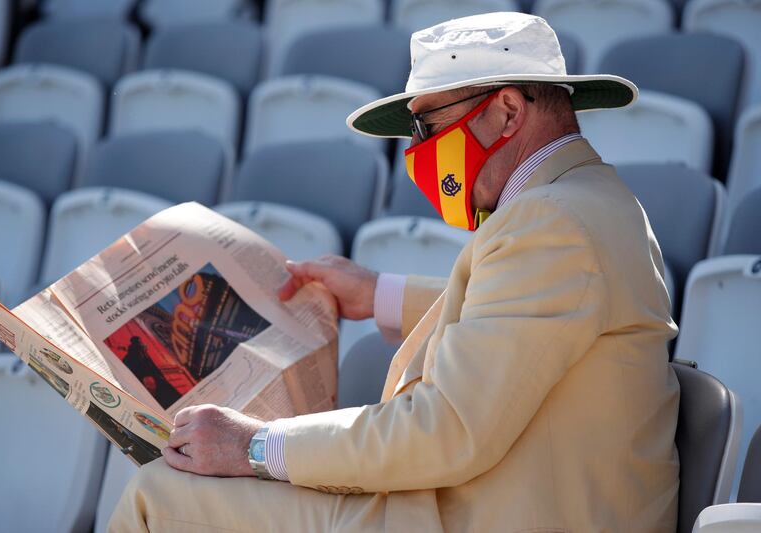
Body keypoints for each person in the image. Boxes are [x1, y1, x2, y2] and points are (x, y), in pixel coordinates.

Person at [110, 12, 680, 532]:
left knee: (157, 494)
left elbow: (447, 429)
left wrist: (255, 446)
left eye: (428, 125)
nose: (420, 149)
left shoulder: (550, 221)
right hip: (504, 503)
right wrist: (377, 294)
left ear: (508, 110)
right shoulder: (585, 201)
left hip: (483, 514)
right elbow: (520, 320)